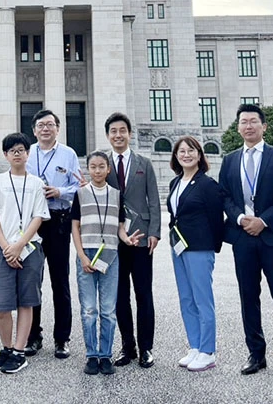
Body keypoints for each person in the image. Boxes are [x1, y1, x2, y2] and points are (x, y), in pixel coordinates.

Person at [220, 103, 273, 382]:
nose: (248, 126)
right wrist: (240, 218)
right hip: (243, 237)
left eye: (253, 121)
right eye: (243, 122)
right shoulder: (230, 160)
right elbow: (225, 196)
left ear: (263, 126)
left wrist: (263, 221)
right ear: (238, 127)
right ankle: (256, 353)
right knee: (248, 297)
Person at [72, 151, 142, 376]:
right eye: (93, 166)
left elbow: (120, 226)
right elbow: (75, 227)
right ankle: (92, 355)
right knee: (89, 309)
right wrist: (81, 255)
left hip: (110, 255)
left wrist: (127, 239)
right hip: (87, 252)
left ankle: (105, 355)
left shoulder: (116, 194)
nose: (97, 170)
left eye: (102, 166)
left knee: (108, 310)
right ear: (88, 169)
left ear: (108, 169)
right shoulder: (81, 193)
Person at [0, 132, 49, 374]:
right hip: (1, 248)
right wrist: (7, 247)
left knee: (26, 301)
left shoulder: (36, 183)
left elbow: (38, 216)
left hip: (29, 248)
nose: (17, 154)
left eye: (21, 150)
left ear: (27, 153)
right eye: (12, 150)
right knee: (2, 305)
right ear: (5, 155)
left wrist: (19, 245)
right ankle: (7, 348)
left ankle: (19, 351)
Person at [104, 112, 161, 369]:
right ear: (108, 135)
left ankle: (146, 347)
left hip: (140, 237)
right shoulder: (102, 163)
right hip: (114, 239)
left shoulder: (144, 163)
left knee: (143, 293)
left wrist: (154, 232)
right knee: (119, 295)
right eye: (113, 131)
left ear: (129, 133)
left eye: (122, 131)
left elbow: (154, 200)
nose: (118, 135)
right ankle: (128, 346)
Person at [24, 108, 81, 359]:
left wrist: (60, 192)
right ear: (34, 130)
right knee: (31, 280)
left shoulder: (68, 154)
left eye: (50, 125)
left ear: (58, 128)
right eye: (41, 125)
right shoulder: (27, 153)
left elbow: (78, 187)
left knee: (60, 281)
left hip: (58, 220)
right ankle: (33, 336)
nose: (45, 129)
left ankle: (62, 338)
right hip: (32, 224)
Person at [166, 136, 224, 373]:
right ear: (176, 156)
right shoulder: (175, 182)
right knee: (186, 298)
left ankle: (208, 351)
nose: (186, 155)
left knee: (202, 299)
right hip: (179, 247)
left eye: (191, 151)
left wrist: (213, 246)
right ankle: (195, 345)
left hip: (200, 248)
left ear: (199, 155)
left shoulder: (207, 184)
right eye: (181, 151)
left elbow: (216, 218)